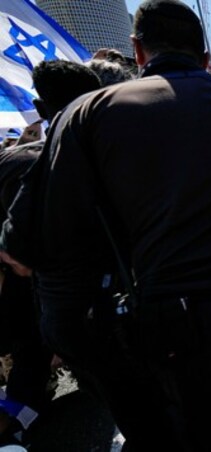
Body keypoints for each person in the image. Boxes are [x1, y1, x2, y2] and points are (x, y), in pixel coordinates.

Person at [0, 1, 211, 449]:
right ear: (206, 57)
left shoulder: (92, 114)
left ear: (137, 51)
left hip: (190, 340)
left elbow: (26, 245)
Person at [0, 60, 102, 446]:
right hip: (23, 290)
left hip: (32, 297)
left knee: (33, 357)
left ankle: (19, 420)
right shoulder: (31, 165)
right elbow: (20, 257)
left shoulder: (58, 159)